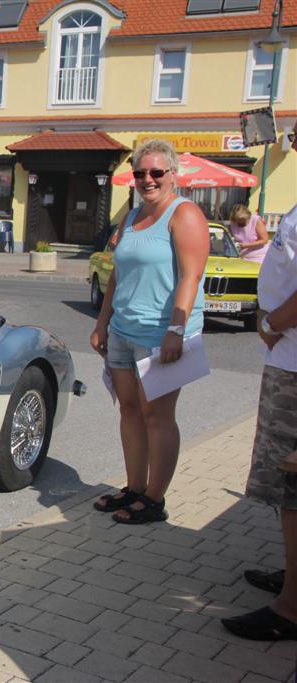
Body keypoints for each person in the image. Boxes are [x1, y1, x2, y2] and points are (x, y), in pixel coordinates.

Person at [90, 138, 209, 524]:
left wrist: (176, 328)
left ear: (173, 174)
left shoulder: (183, 214)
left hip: (162, 334)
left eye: (156, 172)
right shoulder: (131, 216)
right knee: (129, 410)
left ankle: (155, 499)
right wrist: (102, 322)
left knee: (157, 416)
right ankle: (135, 487)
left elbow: (191, 276)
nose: (148, 179)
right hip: (123, 329)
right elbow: (117, 275)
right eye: (140, 173)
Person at [221, 198, 297, 641]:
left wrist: (273, 324)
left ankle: (291, 607)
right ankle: (293, 578)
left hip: (292, 359)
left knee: (291, 486)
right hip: (287, 357)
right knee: (285, 487)